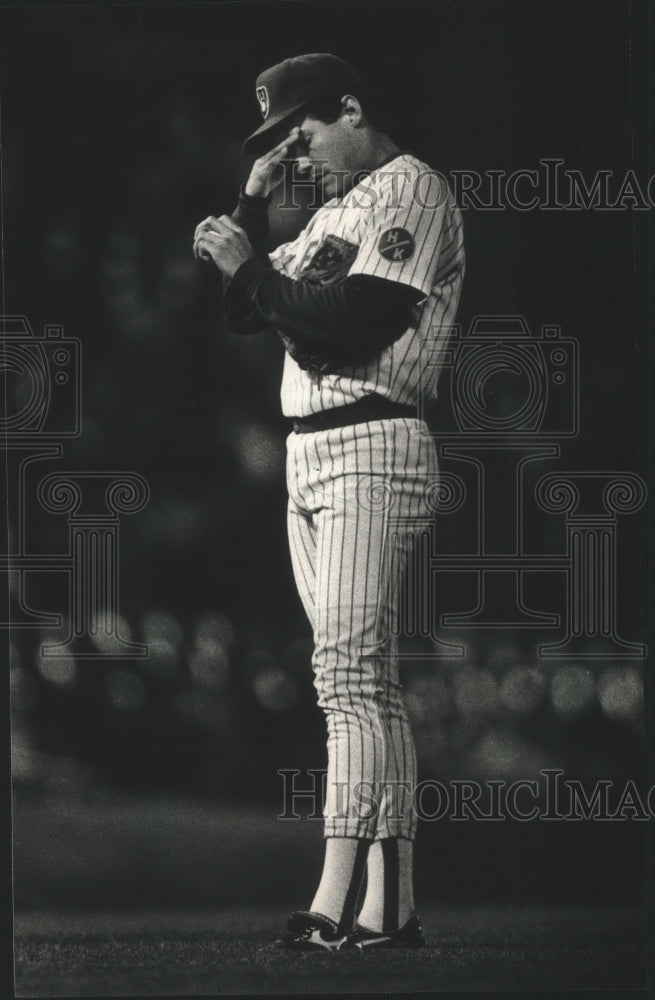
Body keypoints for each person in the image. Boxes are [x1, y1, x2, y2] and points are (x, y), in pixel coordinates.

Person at [193, 53, 464, 951]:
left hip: (374, 439)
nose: (294, 151)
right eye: (278, 141)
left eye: (301, 130)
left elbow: (352, 320)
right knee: (368, 688)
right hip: (310, 454)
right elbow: (245, 309)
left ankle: (330, 896)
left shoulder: (409, 189)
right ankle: (393, 911)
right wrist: (250, 203)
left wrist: (262, 278)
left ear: (349, 108)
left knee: (344, 678)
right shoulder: (330, 208)